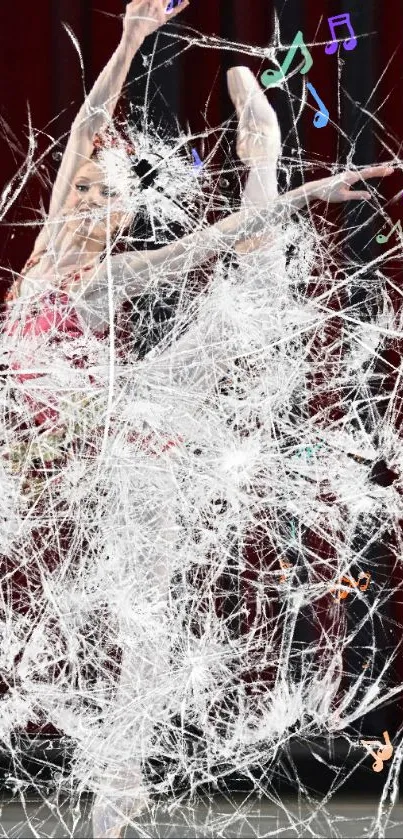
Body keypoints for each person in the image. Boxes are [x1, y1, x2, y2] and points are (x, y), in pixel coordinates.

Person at [2, 2, 393, 837]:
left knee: (248, 290)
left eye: (105, 197)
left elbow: (212, 242)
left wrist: (311, 191)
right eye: (86, 188)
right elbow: (88, 123)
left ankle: (267, 156)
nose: (90, 200)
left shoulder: (107, 279)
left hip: (142, 432)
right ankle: (120, 793)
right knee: (135, 612)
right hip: (96, 457)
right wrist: (132, 38)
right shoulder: (43, 263)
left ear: (113, 217)